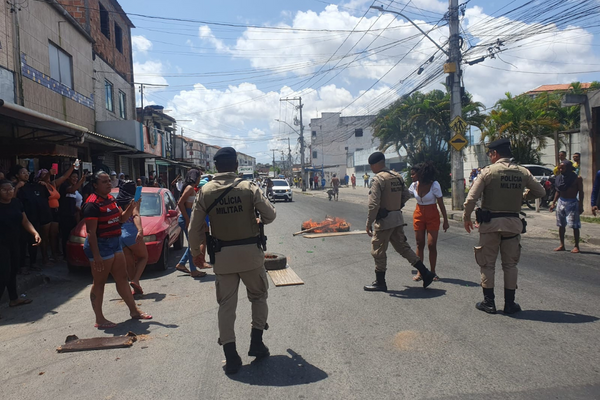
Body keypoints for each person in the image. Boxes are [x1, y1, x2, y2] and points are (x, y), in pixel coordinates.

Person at [188, 147, 276, 375]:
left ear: (215, 167)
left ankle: (231, 356)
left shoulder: (205, 191)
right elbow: (270, 215)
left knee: (226, 306)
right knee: (258, 297)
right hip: (250, 256)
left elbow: (194, 227)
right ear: (236, 165)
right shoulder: (248, 187)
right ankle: (256, 342)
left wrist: (195, 252)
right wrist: (256, 219)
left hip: (223, 258)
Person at [464, 138, 545, 314]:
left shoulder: (488, 172)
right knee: (510, 265)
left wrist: (466, 217)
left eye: (490, 154)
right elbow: (540, 191)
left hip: (490, 224)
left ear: (495, 154)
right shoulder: (523, 172)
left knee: (488, 264)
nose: (490, 157)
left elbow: (471, 198)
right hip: (512, 224)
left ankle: (489, 303)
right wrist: (522, 196)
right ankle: (510, 304)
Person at [82, 171, 151, 328]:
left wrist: (132, 206)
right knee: (99, 283)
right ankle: (99, 319)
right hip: (100, 245)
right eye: (104, 182)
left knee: (122, 278)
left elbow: (121, 219)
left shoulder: (111, 199)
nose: (109, 184)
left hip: (115, 242)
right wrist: (97, 256)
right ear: (95, 185)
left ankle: (134, 311)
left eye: (109, 181)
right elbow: (91, 233)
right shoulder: (92, 204)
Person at [364, 152, 436, 292]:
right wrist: (396, 207)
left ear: (375, 164)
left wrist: (369, 223)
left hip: (384, 221)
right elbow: (406, 194)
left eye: (371, 165)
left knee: (378, 250)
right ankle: (426, 273)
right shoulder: (397, 177)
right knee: (403, 248)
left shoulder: (378, 179)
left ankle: (380, 282)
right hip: (397, 219)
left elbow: (373, 205)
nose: (371, 168)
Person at [0, 179, 40, 315]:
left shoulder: (16, 203)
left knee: (13, 271)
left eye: (10, 189)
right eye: (4, 190)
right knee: (3, 275)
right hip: (1, 244)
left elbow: (25, 220)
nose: (8, 192)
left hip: (15, 242)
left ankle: (14, 299)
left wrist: (34, 232)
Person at [408, 162, 449, 281]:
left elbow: (441, 203)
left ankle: (433, 272)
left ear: (421, 174)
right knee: (419, 243)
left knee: (431, 244)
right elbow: (404, 196)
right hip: (418, 214)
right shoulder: (414, 185)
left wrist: (445, 221)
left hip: (432, 215)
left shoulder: (434, 185)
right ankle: (420, 272)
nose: (411, 176)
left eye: (413, 174)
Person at [11, 166, 49, 272]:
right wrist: (17, 187)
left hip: (33, 218)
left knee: (33, 241)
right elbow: (11, 200)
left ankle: (33, 262)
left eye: (27, 172)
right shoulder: (13, 186)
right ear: (17, 175)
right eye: (23, 173)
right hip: (20, 219)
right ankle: (21, 265)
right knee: (21, 243)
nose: (26, 174)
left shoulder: (34, 186)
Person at [38, 163, 77, 261]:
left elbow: (65, 177)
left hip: (56, 211)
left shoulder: (53, 184)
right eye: (44, 174)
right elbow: (43, 180)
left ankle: (54, 254)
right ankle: (45, 257)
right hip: (47, 211)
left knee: (54, 235)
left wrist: (72, 166)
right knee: (45, 236)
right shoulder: (41, 184)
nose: (47, 176)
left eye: (47, 174)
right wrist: (48, 174)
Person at [116, 181, 149, 295]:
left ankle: (135, 287)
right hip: (131, 232)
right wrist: (140, 230)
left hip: (120, 233)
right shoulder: (134, 200)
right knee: (143, 257)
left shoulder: (118, 201)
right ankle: (135, 280)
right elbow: (135, 215)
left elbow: (121, 218)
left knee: (130, 263)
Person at [176, 169, 207, 277]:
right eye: (199, 178)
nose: (199, 180)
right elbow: (180, 203)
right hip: (187, 217)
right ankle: (193, 270)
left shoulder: (190, 188)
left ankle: (182, 263)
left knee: (192, 244)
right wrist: (187, 219)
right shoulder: (189, 188)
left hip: (190, 216)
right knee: (193, 245)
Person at [549, 160, 584, 253]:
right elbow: (558, 191)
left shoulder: (577, 178)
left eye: (563, 167)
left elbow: (581, 192)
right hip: (561, 202)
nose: (560, 169)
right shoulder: (559, 178)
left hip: (572, 202)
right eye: (560, 167)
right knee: (561, 225)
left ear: (568, 168)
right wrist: (553, 203)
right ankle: (562, 245)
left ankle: (576, 246)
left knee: (575, 225)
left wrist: (581, 204)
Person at [59, 171, 85, 261]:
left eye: (77, 177)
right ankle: (66, 256)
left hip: (73, 215)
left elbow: (73, 204)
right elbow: (70, 190)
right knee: (66, 236)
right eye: (73, 177)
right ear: (68, 178)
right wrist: (81, 181)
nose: (75, 179)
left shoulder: (76, 190)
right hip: (65, 215)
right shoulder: (65, 186)